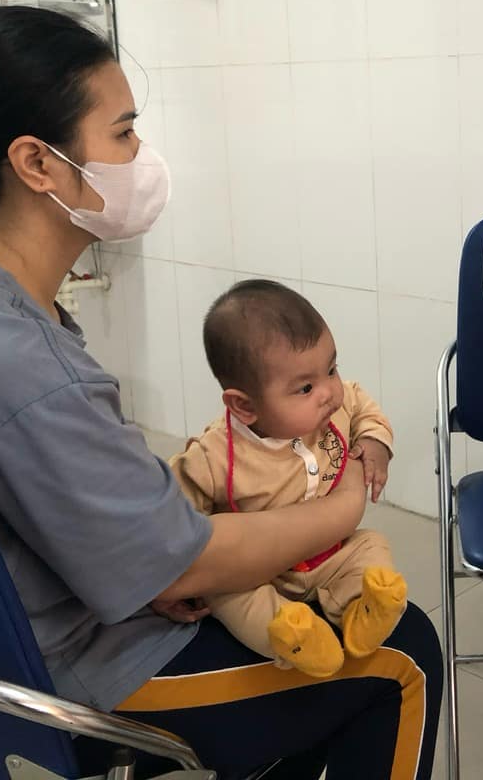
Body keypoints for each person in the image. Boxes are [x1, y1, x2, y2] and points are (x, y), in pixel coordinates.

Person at [0, 6, 441, 780]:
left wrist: (155, 566)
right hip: (74, 673)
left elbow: (73, 516)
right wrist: (341, 508)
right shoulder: (14, 360)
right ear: (38, 163)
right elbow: (184, 565)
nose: (142, 157)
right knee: (405, 657)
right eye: (124, 133)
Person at [170, 280, 407, 678]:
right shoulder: (213, 457)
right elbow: (171, 510)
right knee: (229, 595)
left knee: (371, 547)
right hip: (260, 572)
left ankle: (362, 612)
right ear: (244, 406)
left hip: (332, 551)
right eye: (306, 387)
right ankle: (293, 636)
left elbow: (364, 407)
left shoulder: (337, 401)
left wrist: (374, 441)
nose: (330, 391)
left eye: (331, 368)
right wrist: (175, 574)